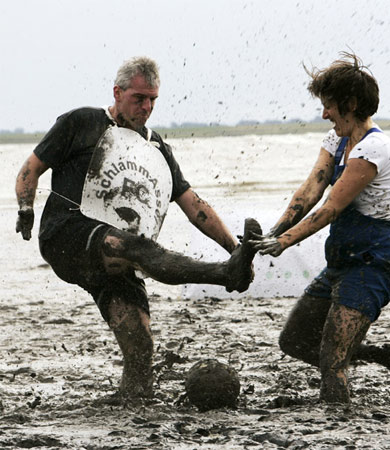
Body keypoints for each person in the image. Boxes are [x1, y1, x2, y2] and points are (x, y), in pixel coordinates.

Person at [15, 56, 261, 401]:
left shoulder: (156, 147)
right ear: (118, 92)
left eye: (153, 100)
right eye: (139, 98)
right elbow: (30, 169)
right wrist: (25, 207)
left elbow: (194, 205)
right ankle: (224, 275)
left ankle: (132, 395)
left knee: (141, 345)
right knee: (134, 248)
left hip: (120, 250)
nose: (146, 107)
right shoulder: (81, 122)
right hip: (67, 234)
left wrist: (234, 246)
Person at [250, 52, 390, 403]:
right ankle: (383, 355)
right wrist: (273, 233)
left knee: (332, 361)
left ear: (350, 104)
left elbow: (331, 209)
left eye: (329, 106)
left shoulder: (374, 150)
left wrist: (285, 243)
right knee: (293, 341)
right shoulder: (336, 139)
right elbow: (311, 190)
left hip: (373, 264)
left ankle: (337, 419)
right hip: (341, 261)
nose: (324, 114)